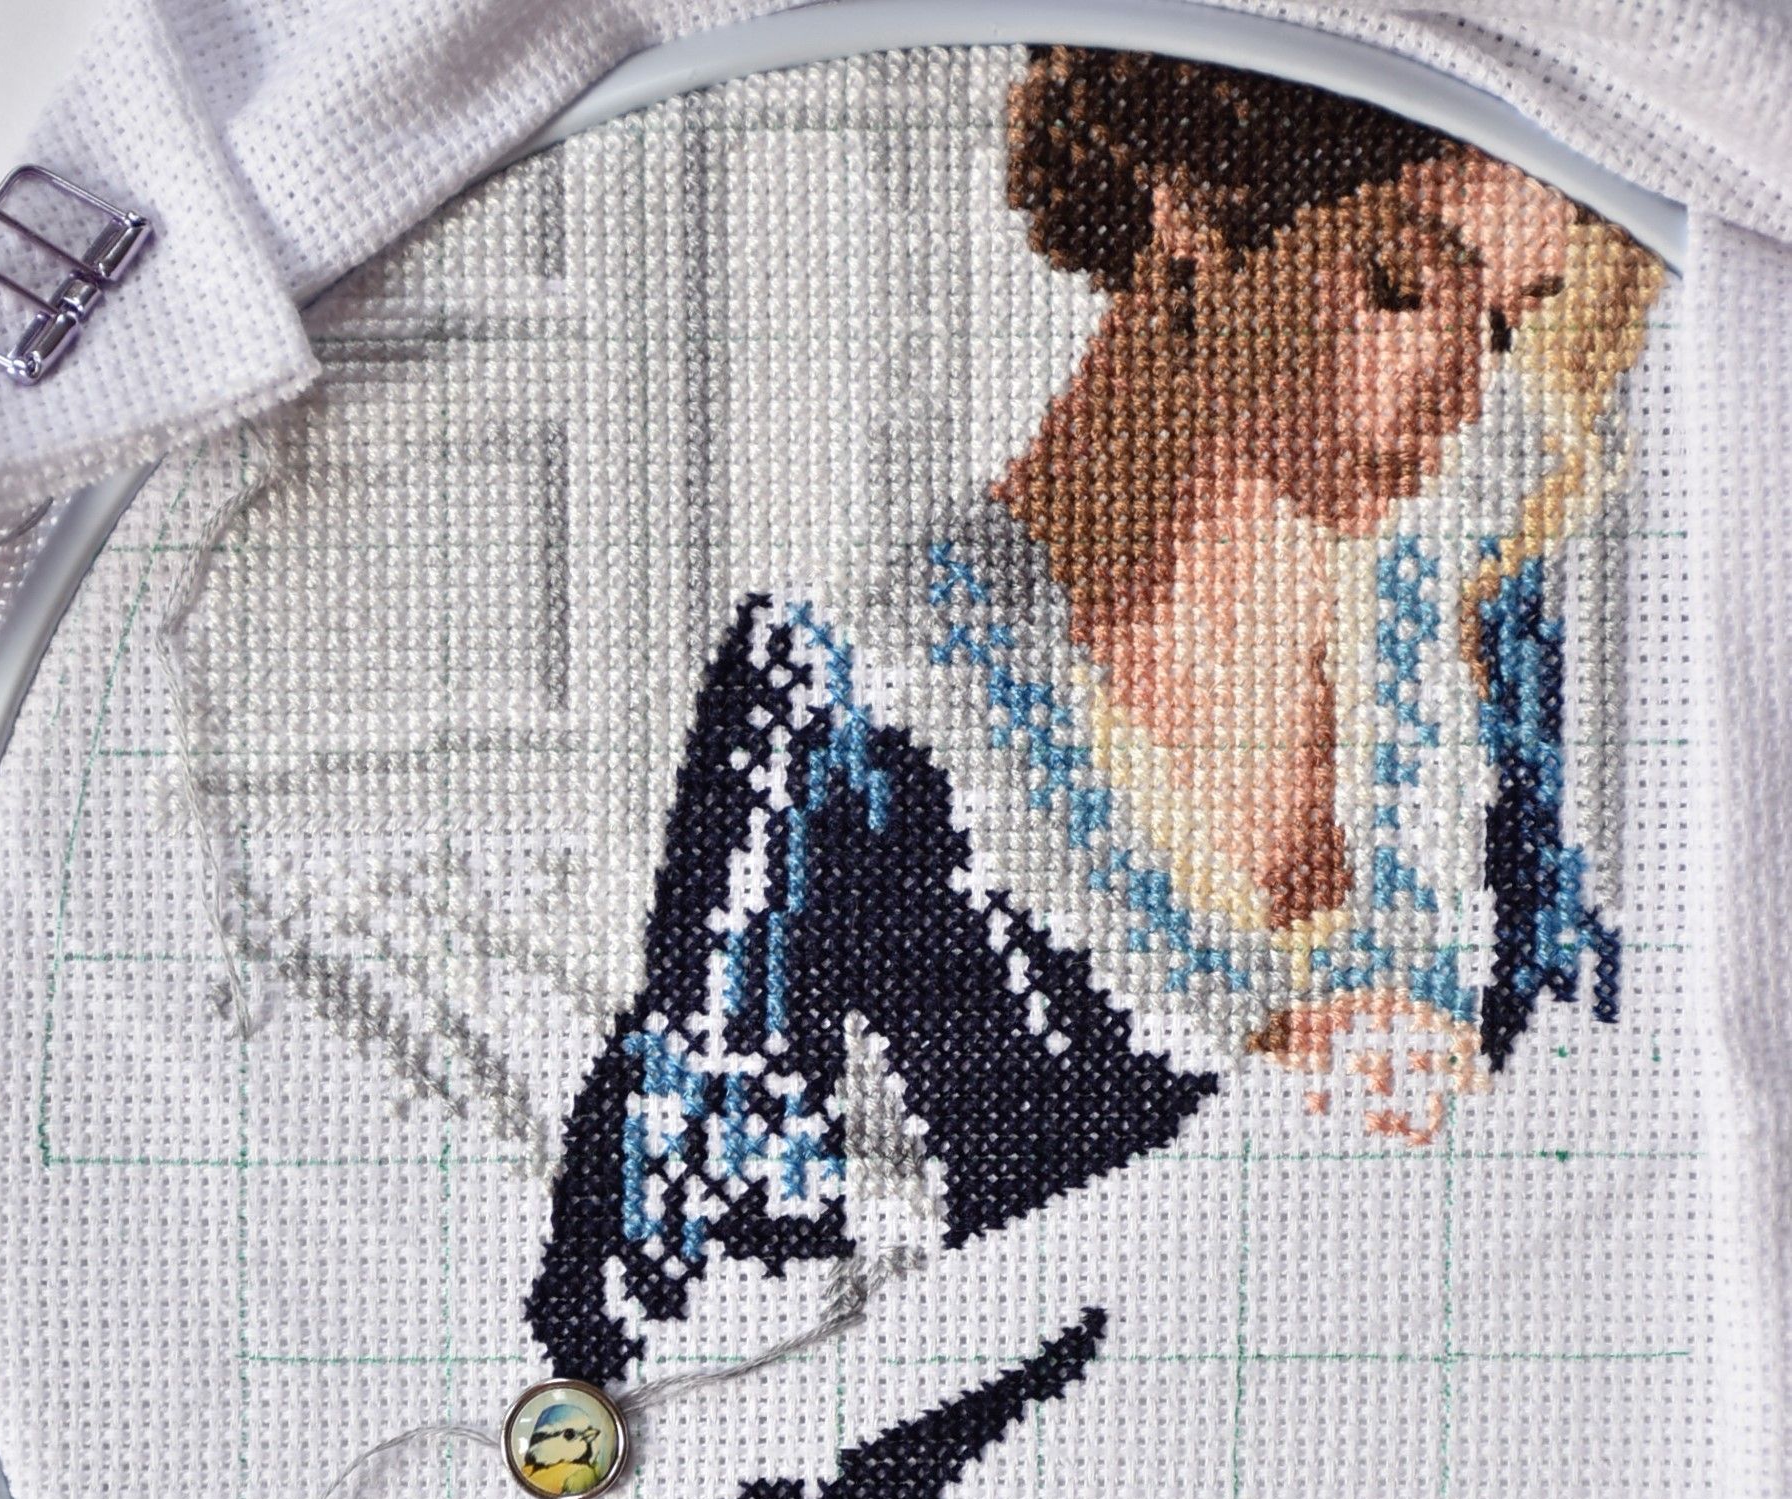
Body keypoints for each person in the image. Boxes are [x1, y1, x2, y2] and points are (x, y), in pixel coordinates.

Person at [525, 50, 1666, 1385]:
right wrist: (1235, 1163)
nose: (1459, 395)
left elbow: (1618, 1120)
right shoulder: (846, 709)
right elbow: (658, 1310)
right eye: (1403, 289)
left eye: (1504, 326)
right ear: (1193, 230)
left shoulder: (1477, 667)